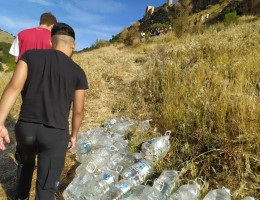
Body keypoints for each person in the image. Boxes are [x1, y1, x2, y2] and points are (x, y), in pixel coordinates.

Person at [0, 23, 88, 200]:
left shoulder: (30, 56)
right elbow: (79, 111)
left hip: (26, 129)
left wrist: (0, 122)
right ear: (74, 46)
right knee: (46, 187)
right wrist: (74, 135)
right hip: (55, 134)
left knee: (25, 165)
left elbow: (13, 88)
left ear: (50, 42)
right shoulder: (78, 72)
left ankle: (21, 196)